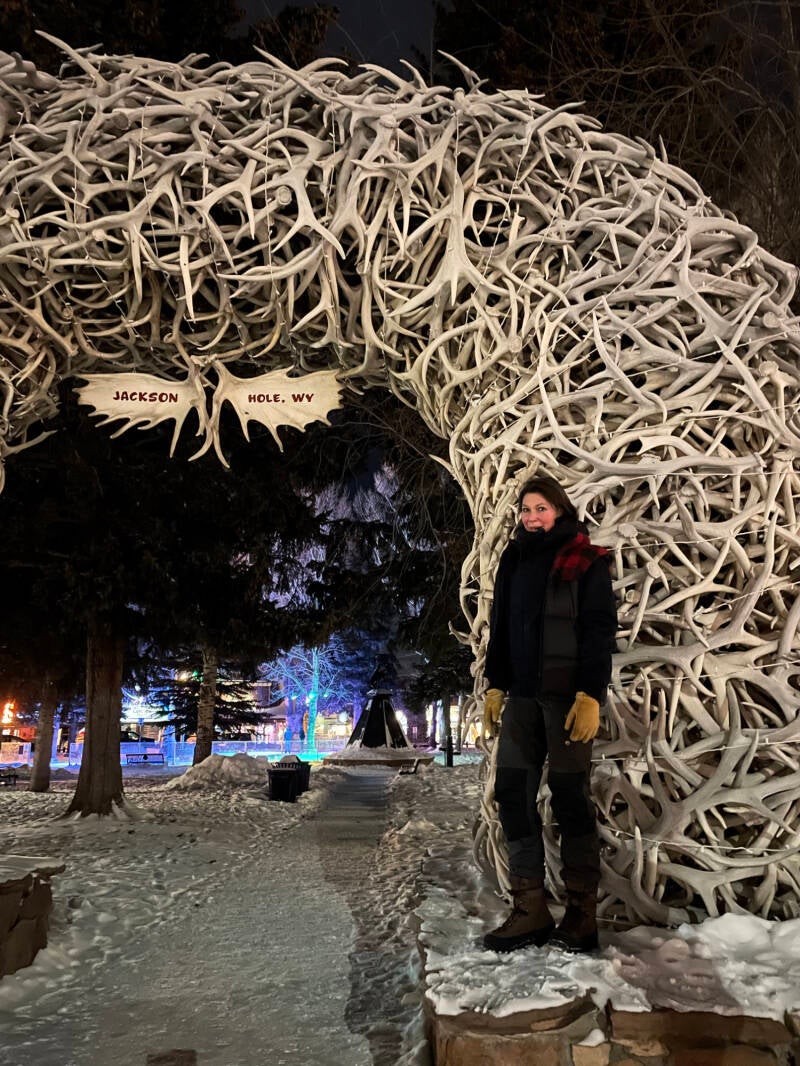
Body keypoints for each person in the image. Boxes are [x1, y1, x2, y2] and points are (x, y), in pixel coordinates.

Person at [482, 475, 617, 954]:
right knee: (513, 796)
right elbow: (499, 628)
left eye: (539, 508)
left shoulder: (587, 560)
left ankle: (582, 915)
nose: (531, 517)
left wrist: (590, 695)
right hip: (521, 699)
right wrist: (495, 684)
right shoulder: (514, 560)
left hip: (566, 702)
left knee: (570, 800)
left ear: (559, 509)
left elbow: (599, 630)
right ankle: (530, 909)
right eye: (525, 510)